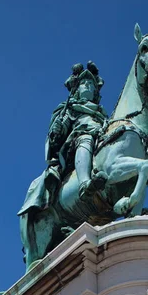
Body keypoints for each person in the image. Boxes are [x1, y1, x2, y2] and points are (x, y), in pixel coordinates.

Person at [18, 62, 108, 217]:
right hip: (74, 146)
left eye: (90, 84)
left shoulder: (102, 114)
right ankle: (85, 184)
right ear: (76, 89)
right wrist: (57, 130)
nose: (87, 86)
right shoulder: (70, 109)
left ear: (95, 91)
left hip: (99, 139)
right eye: (83, 83)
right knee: (85, 138)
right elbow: (56, 138)